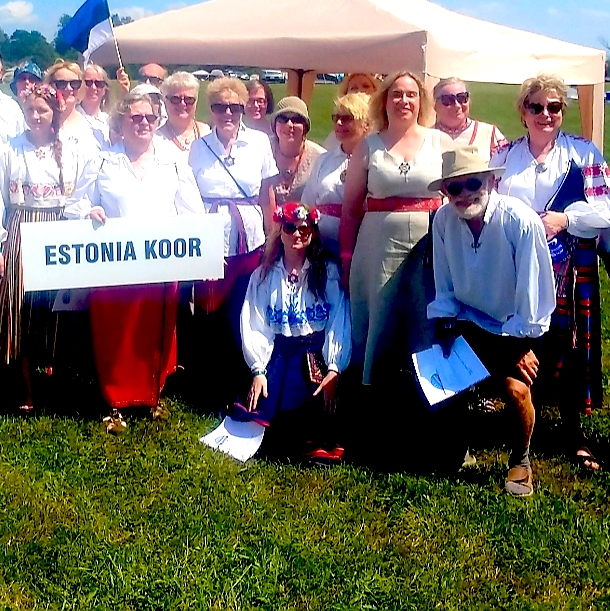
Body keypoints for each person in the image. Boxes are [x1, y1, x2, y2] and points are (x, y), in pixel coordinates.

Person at [492, 73, 610, 471]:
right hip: (516, 263)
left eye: (554, 107)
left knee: (568, 341)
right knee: (523, 337)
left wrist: (566, 218)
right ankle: (518, 416)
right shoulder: (504, 156)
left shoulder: (583, 153)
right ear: (523, 111)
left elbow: (606, 208)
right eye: (536, 107)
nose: (545, 114)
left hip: (569, 263)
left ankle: (572, 429)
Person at [66, 91, 205, 432]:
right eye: (136, 118)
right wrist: (89, 211)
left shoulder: (172, 161)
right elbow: (74, 205)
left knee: (153, 332)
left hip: (159, 266)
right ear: (121, 122)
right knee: (115, 335)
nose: (144, 123)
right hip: (113, 268)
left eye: (150, 118)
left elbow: (193, 211)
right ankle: (114, 401)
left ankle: (151, 396)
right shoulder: (100, 162)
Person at [426, 146, 556, 497]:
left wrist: (521, 345)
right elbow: (445, 281)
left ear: (491, 180)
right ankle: (457, 447)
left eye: (472, 183)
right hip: (469, 318)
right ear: (444, 193)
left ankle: (521, 459)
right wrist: (445, 323)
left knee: (516, 389)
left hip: (518, 324)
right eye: (454, 188)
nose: (465, 194)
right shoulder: (441, 220)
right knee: (444, 376)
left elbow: (534, 291)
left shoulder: (520, 220)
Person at [0, 82, 94, 412]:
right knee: (22, 311)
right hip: (20, 229)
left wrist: (85, 215)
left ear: (54, 113)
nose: (36, 116)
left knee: (58, 311)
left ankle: (57, 385)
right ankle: (26, 389)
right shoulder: (9, 150)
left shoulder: (71, 150)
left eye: (43, 110)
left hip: (59, 230)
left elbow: (82, 194)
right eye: (30, 110)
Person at [340, 70, 452, 384]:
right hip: (377, 248)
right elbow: (350, 210)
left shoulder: (439, 141)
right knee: (379, 315)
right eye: (396, 94)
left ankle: (429, 387)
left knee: (424, 313)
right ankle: (375, 385)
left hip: (428, 248)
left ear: (421, 101)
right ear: (384, 101)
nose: (404, 100)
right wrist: (347, 260)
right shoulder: (368, 146)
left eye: (411, 94)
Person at [232, 202, 351, 462]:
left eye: (304, 229)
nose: (297, 234)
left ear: (313, 233)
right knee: (263, 412)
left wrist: (333, 367)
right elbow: (255, 321)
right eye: (290, 228)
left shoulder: (327, 273)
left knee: (315, 418)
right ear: (280, 232)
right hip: (280, 355)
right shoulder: (264, 275)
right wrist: (258, 369)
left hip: (314, 357)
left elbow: (338, 319)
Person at [187, 77, 277, 406]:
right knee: (210, 310)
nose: (227, 113)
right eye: (219, 106)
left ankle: (244, 378)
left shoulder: (258, 143)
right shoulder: (198, 147)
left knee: (245, 307)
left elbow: (267, 193)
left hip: (249, 238)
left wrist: (272, 236)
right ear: (210, 110)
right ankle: (211, 382)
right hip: (211, 237)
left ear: (243, 109)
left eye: (234, 107)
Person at [303, 93, 371, 256]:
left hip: (360, 247)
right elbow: (307, 204)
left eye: (347, 118)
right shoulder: (324, 160)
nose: (339, 123)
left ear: (366, 124)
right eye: (336, 117)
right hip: (320, 248)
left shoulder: (374, 161)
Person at [265, 97, 325, 226]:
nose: (289, 125)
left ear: (305, 127)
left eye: (296, 119)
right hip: (265, 230)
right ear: (274, 124)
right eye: (283, 119)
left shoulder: (320, 157)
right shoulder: (261, 149)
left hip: (303, 233)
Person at [432, 77, 508, 161]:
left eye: (462, 98)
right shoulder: (425, 138)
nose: (457, 105)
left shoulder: (489, 134)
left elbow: (507, 167)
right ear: (435, 105)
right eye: (448, 100)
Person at [46, 60, 103, 150]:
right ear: (50, 86)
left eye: (74, 84)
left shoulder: (95, 129)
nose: (69, 88)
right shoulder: (40, 124)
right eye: (61, 84)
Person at [158, 71, 210, 160]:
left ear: (196, 101)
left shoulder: (207, 132)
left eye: (189, 99)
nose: (182, 104)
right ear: (164, 100)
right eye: (175, 99)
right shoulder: (156, 139)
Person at [324, 74, 379, 150]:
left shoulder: (385, 129)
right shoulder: (334, 138)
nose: (360, 91)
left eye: (366, 86)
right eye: (354, 88)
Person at [77, 63, 112, 138]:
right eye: (88, 83)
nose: (93, 87)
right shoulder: (71, 117)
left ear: (105, 89)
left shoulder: (109, 122)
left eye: (99, 84)